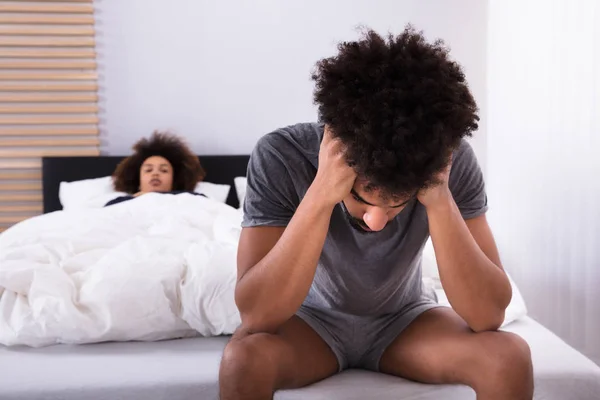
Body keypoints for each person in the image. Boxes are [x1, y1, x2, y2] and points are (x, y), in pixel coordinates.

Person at [219, 26, 534, 400]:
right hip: (308, 324)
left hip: (404, 323)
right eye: (363, 200)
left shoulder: (447, 161)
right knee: (242, 360)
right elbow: (257, 316)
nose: (376, 222)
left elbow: (487, 316)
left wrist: (438, 198)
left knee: (509, 356)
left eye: (397, 204)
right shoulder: (280, 155)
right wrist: (322, 193)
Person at [105, 131, 206, 206]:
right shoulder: (119, 203)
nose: (155, 174)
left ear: (174, 181)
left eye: (164, 170)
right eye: (148, 170)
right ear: (138, 180)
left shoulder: (192, 199)